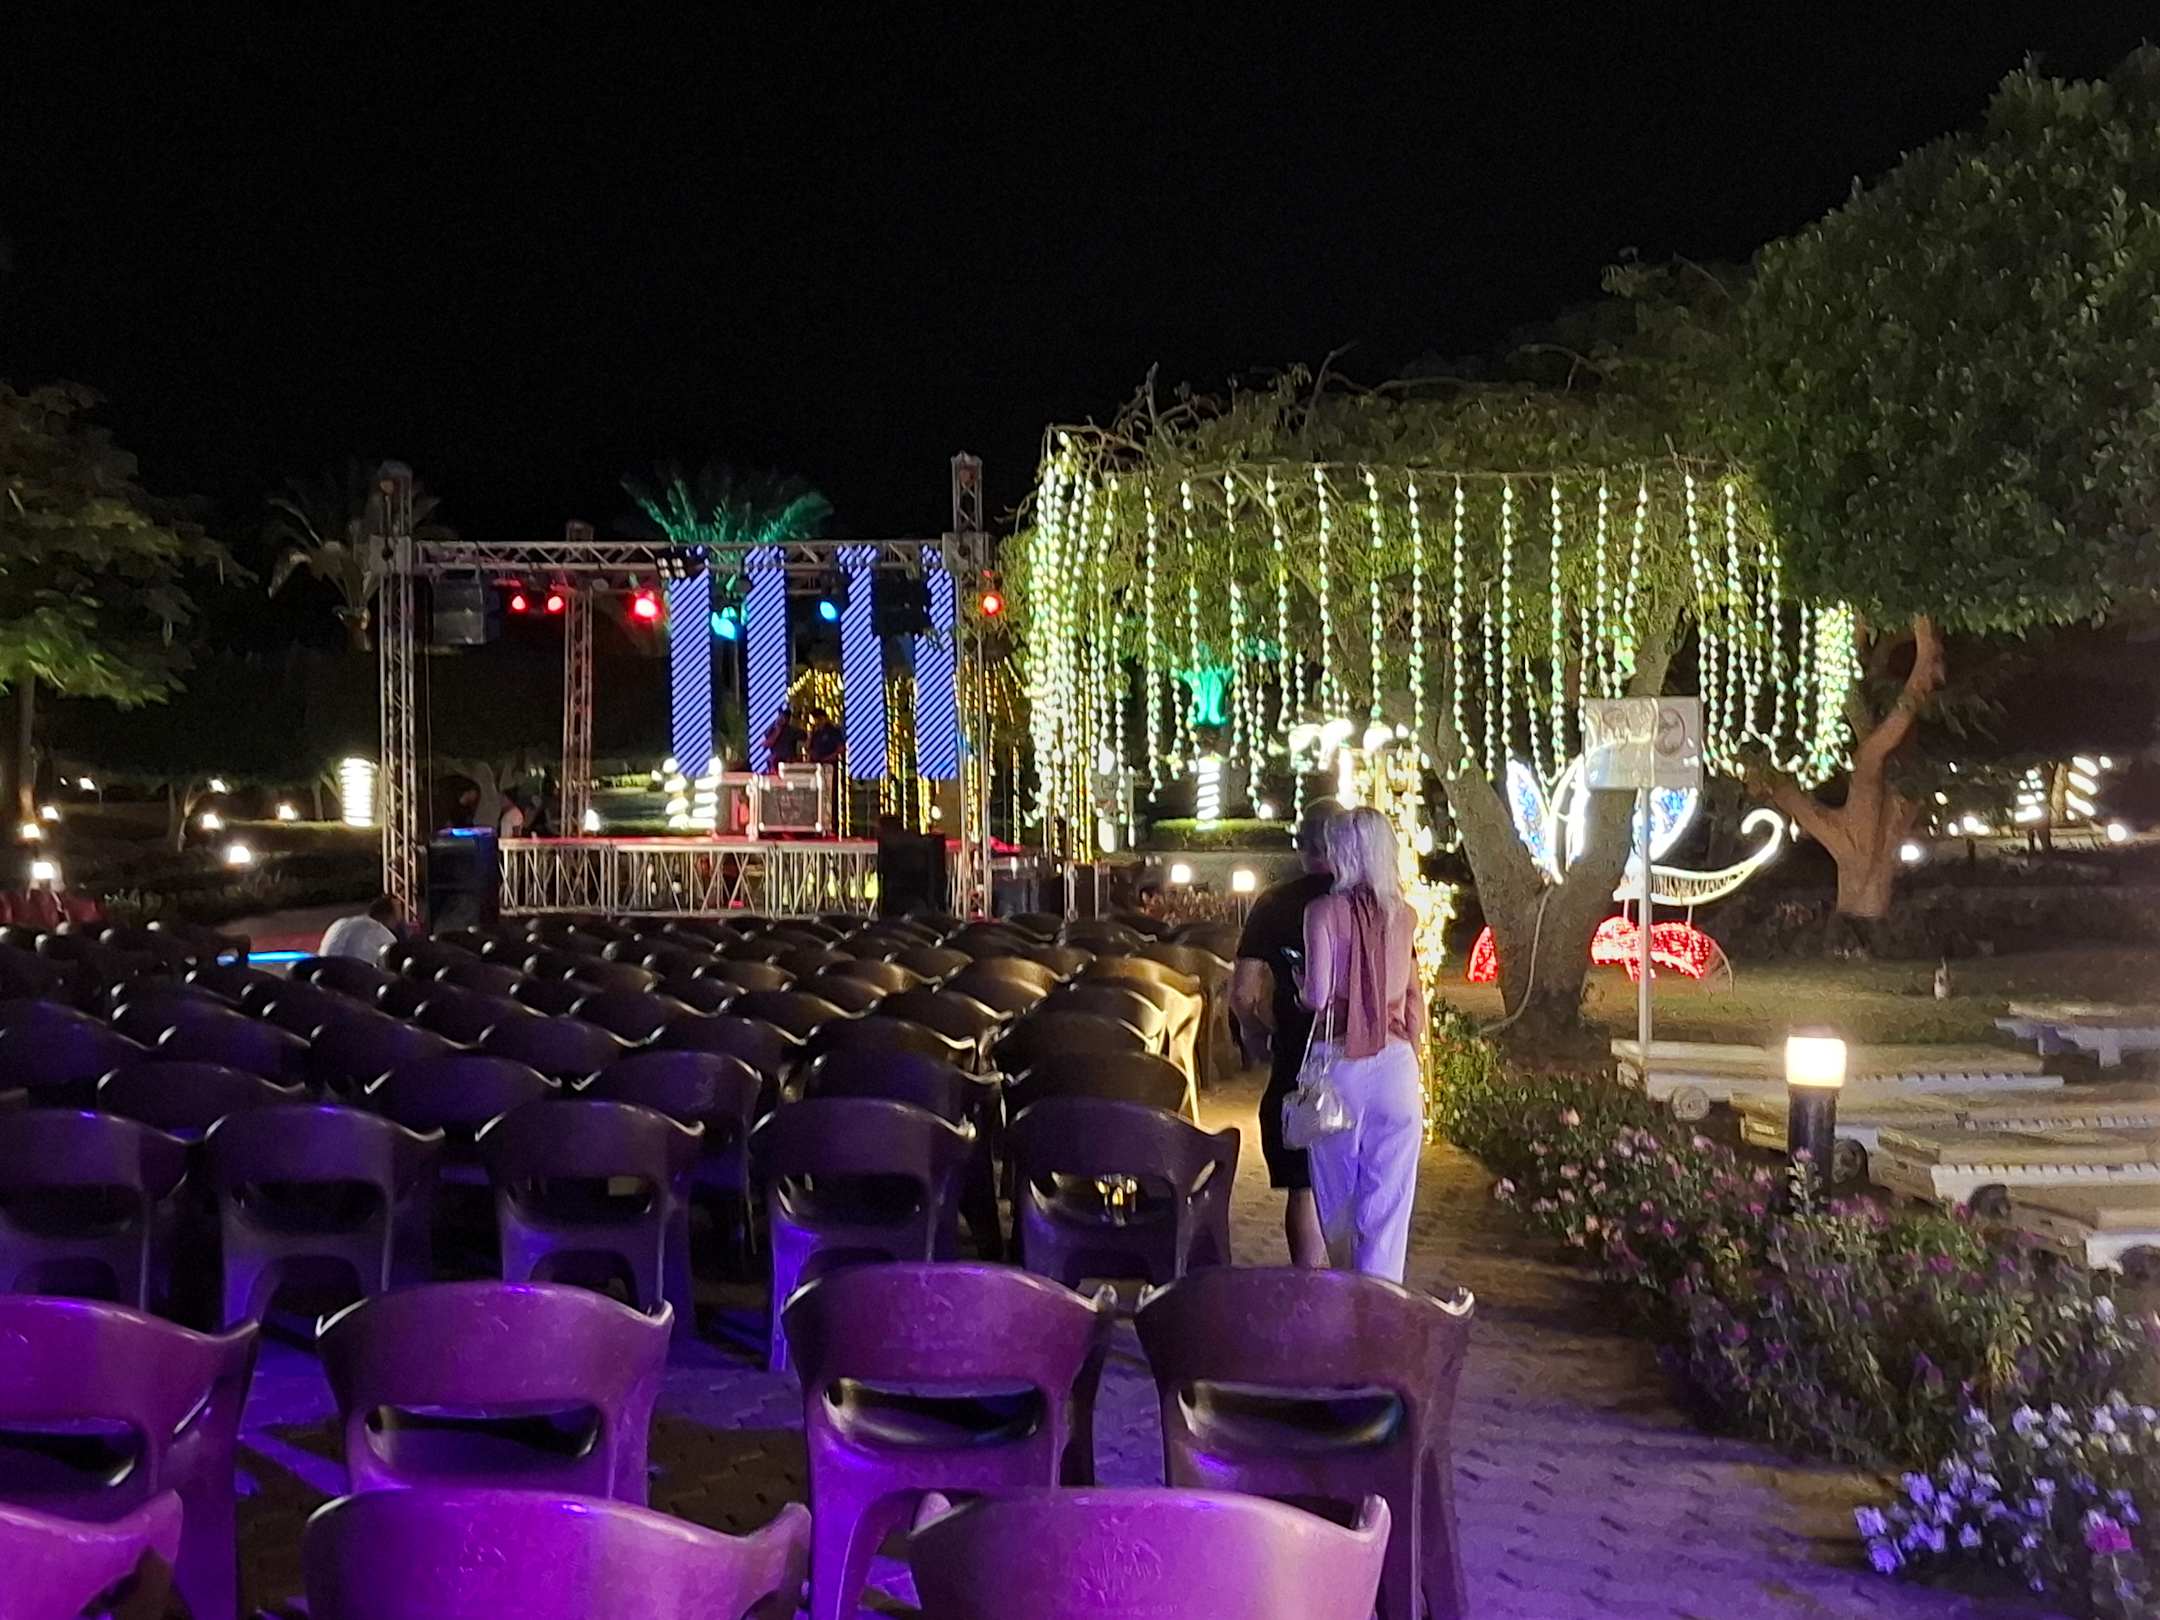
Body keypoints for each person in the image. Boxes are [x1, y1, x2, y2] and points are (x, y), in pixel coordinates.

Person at [1299, 805, 1426, 1283]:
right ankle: (1381, 1296)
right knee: (1390, 1199)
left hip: (1340, 1063)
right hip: (1395, 1064)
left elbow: (1318, 996)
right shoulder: (1405, 916)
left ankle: (1346, 1291)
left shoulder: (1323, 912)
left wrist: (1296, 986)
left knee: (1337, 1195)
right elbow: (1410, 995)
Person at [1229, 797, 1339, 1268]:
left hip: (1299, 1053)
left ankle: (1311, 1284)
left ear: (1301, 845)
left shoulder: (1274, 904)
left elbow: (1244, 994)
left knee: (1303, 1182)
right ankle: (1366, 1289)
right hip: (1366, 1053)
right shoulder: (1371, 903)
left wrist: (1259, 1036)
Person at [319, 896, 401, 963]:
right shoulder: (381, 933)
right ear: (391, 917)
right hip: (352, 975)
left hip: (322, 971)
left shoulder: (339, 923)